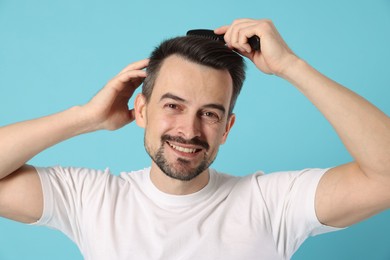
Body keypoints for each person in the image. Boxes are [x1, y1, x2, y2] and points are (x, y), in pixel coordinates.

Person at [0, 18, 389, 260]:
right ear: (142, 110)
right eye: (173, 106)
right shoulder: (91, 199)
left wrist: (291, 66)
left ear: (227, 128)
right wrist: (85, 117)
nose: (189, 130)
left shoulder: (273, 204)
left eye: (209, 113)